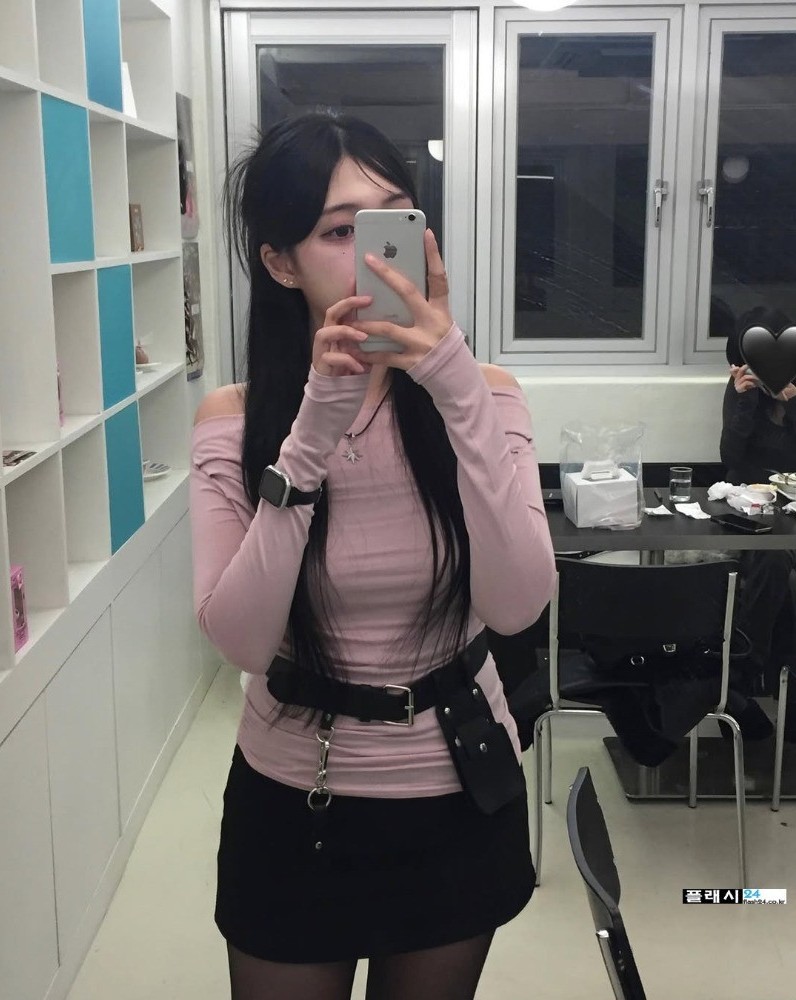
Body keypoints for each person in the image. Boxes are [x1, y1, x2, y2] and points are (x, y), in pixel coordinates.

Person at [190, 112, 556, 1000]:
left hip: (455, 793)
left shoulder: (486, 395)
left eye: (390, 220)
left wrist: (456, 381)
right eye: (337, 231)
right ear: (281, 263)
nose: (372, 256)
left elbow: (516, 606)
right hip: (292, 801)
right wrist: (311, 433)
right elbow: (241, 640)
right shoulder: (233, 420)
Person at [721, 305, 796, 707]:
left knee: (778, 559)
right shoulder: (740, 387)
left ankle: (756, 669)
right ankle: (748, 669)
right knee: (771, 557)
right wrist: (746, 401)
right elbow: (731, 457)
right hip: (750, 501)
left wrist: (791, 402)